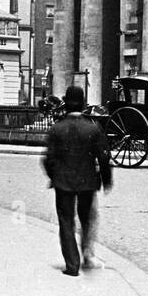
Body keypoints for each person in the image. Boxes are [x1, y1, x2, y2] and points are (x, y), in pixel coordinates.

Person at [43, 84, 112, 277]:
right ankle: (87, 256)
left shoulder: (57, 129)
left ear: (65, 103)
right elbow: (104, 157)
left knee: (66, 222)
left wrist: (55, 176)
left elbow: (48, 159)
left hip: (63, 182)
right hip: (87, 182)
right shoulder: (92, 128)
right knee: (86, 218)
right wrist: (106, 180)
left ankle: (72, 265)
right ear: (82, 104)